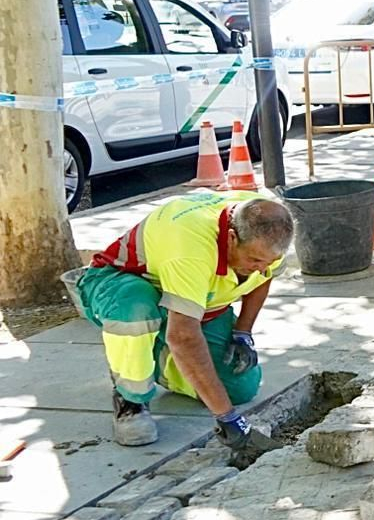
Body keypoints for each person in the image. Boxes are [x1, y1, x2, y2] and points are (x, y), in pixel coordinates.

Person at [77, 190, 293, 462]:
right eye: (255, 261)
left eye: (269, 263)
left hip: (192, 304)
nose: (262, 269)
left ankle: (157, 358)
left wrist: (243, 332)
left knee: (240, 389)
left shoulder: (270, 228)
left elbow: (264, 278)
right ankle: (130, 396)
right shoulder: (189, 246)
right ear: (231, 238)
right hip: (121, 283)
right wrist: (227, 419)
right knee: (137, 310)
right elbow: (183, 335)